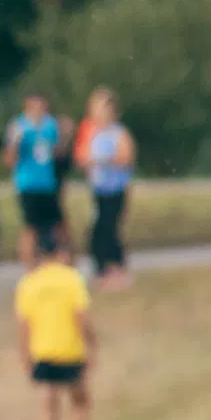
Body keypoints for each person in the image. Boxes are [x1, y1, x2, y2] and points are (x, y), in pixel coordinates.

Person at [13, 229, 92, 420]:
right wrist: (92, 345)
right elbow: (81, 318)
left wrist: (25, 357)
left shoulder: (28, 283)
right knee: (81, 402)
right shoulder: (71, 279)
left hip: (42, 354)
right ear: (62, 253)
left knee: (48, 411)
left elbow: (24, 326)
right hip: (69, 352)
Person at [76, 91, 134, 282]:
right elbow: (82, 158)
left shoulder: (119, 133)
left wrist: (105, 160)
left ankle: (115, 264)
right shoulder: (92, 133)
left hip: (115, 189)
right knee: (98, 227)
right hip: (99, 189)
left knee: (110, 226)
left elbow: (126, 158)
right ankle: (100, 265)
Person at [5, 94, 65, 262]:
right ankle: (29, 267)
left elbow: (58, 154)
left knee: (56, 226)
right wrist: (15, 143)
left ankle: (57, 263)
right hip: (28, 184)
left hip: (47, 184)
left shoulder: (50, 125)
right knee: (30, 227)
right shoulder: (19, 126)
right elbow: (9, 160)